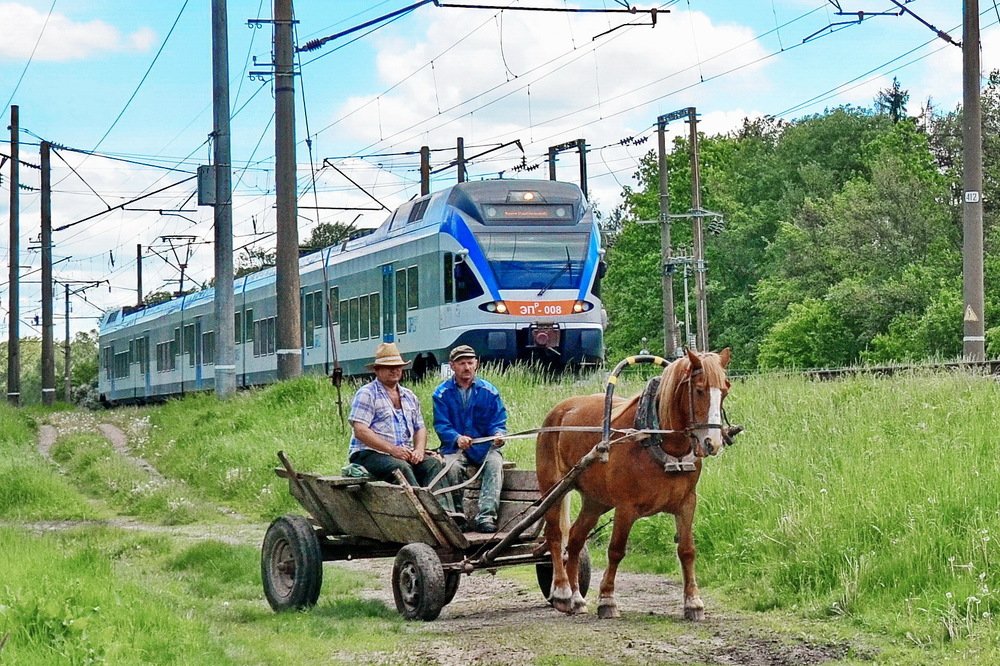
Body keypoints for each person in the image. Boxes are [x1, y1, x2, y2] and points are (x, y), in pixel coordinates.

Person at [348, 342, 454, 512]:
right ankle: (420, 512)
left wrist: (419, 450)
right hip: (368, 454)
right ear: (377, 370)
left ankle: (444, 512)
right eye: (388, 367)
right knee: (400, 467)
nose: (394, 370)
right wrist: (392, 450)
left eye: (397, 367)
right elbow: (360, 430)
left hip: (403, 452)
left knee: (433, 464)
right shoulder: (367, 393)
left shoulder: (409, 396)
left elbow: (420, 428)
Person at [433, 344, 508, 533]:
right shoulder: (441, 394)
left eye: (470, 363)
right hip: (455, 449)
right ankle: (458, 517)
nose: (466, 367)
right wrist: (457, 438)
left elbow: (498, 421)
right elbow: (442, 425)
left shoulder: (489, 392)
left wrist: (499, 435)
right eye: (461, 363)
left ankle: (486, 517)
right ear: (452, 366)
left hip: (484, 448)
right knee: (451, 467)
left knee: (495, 463)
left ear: (477, 364)